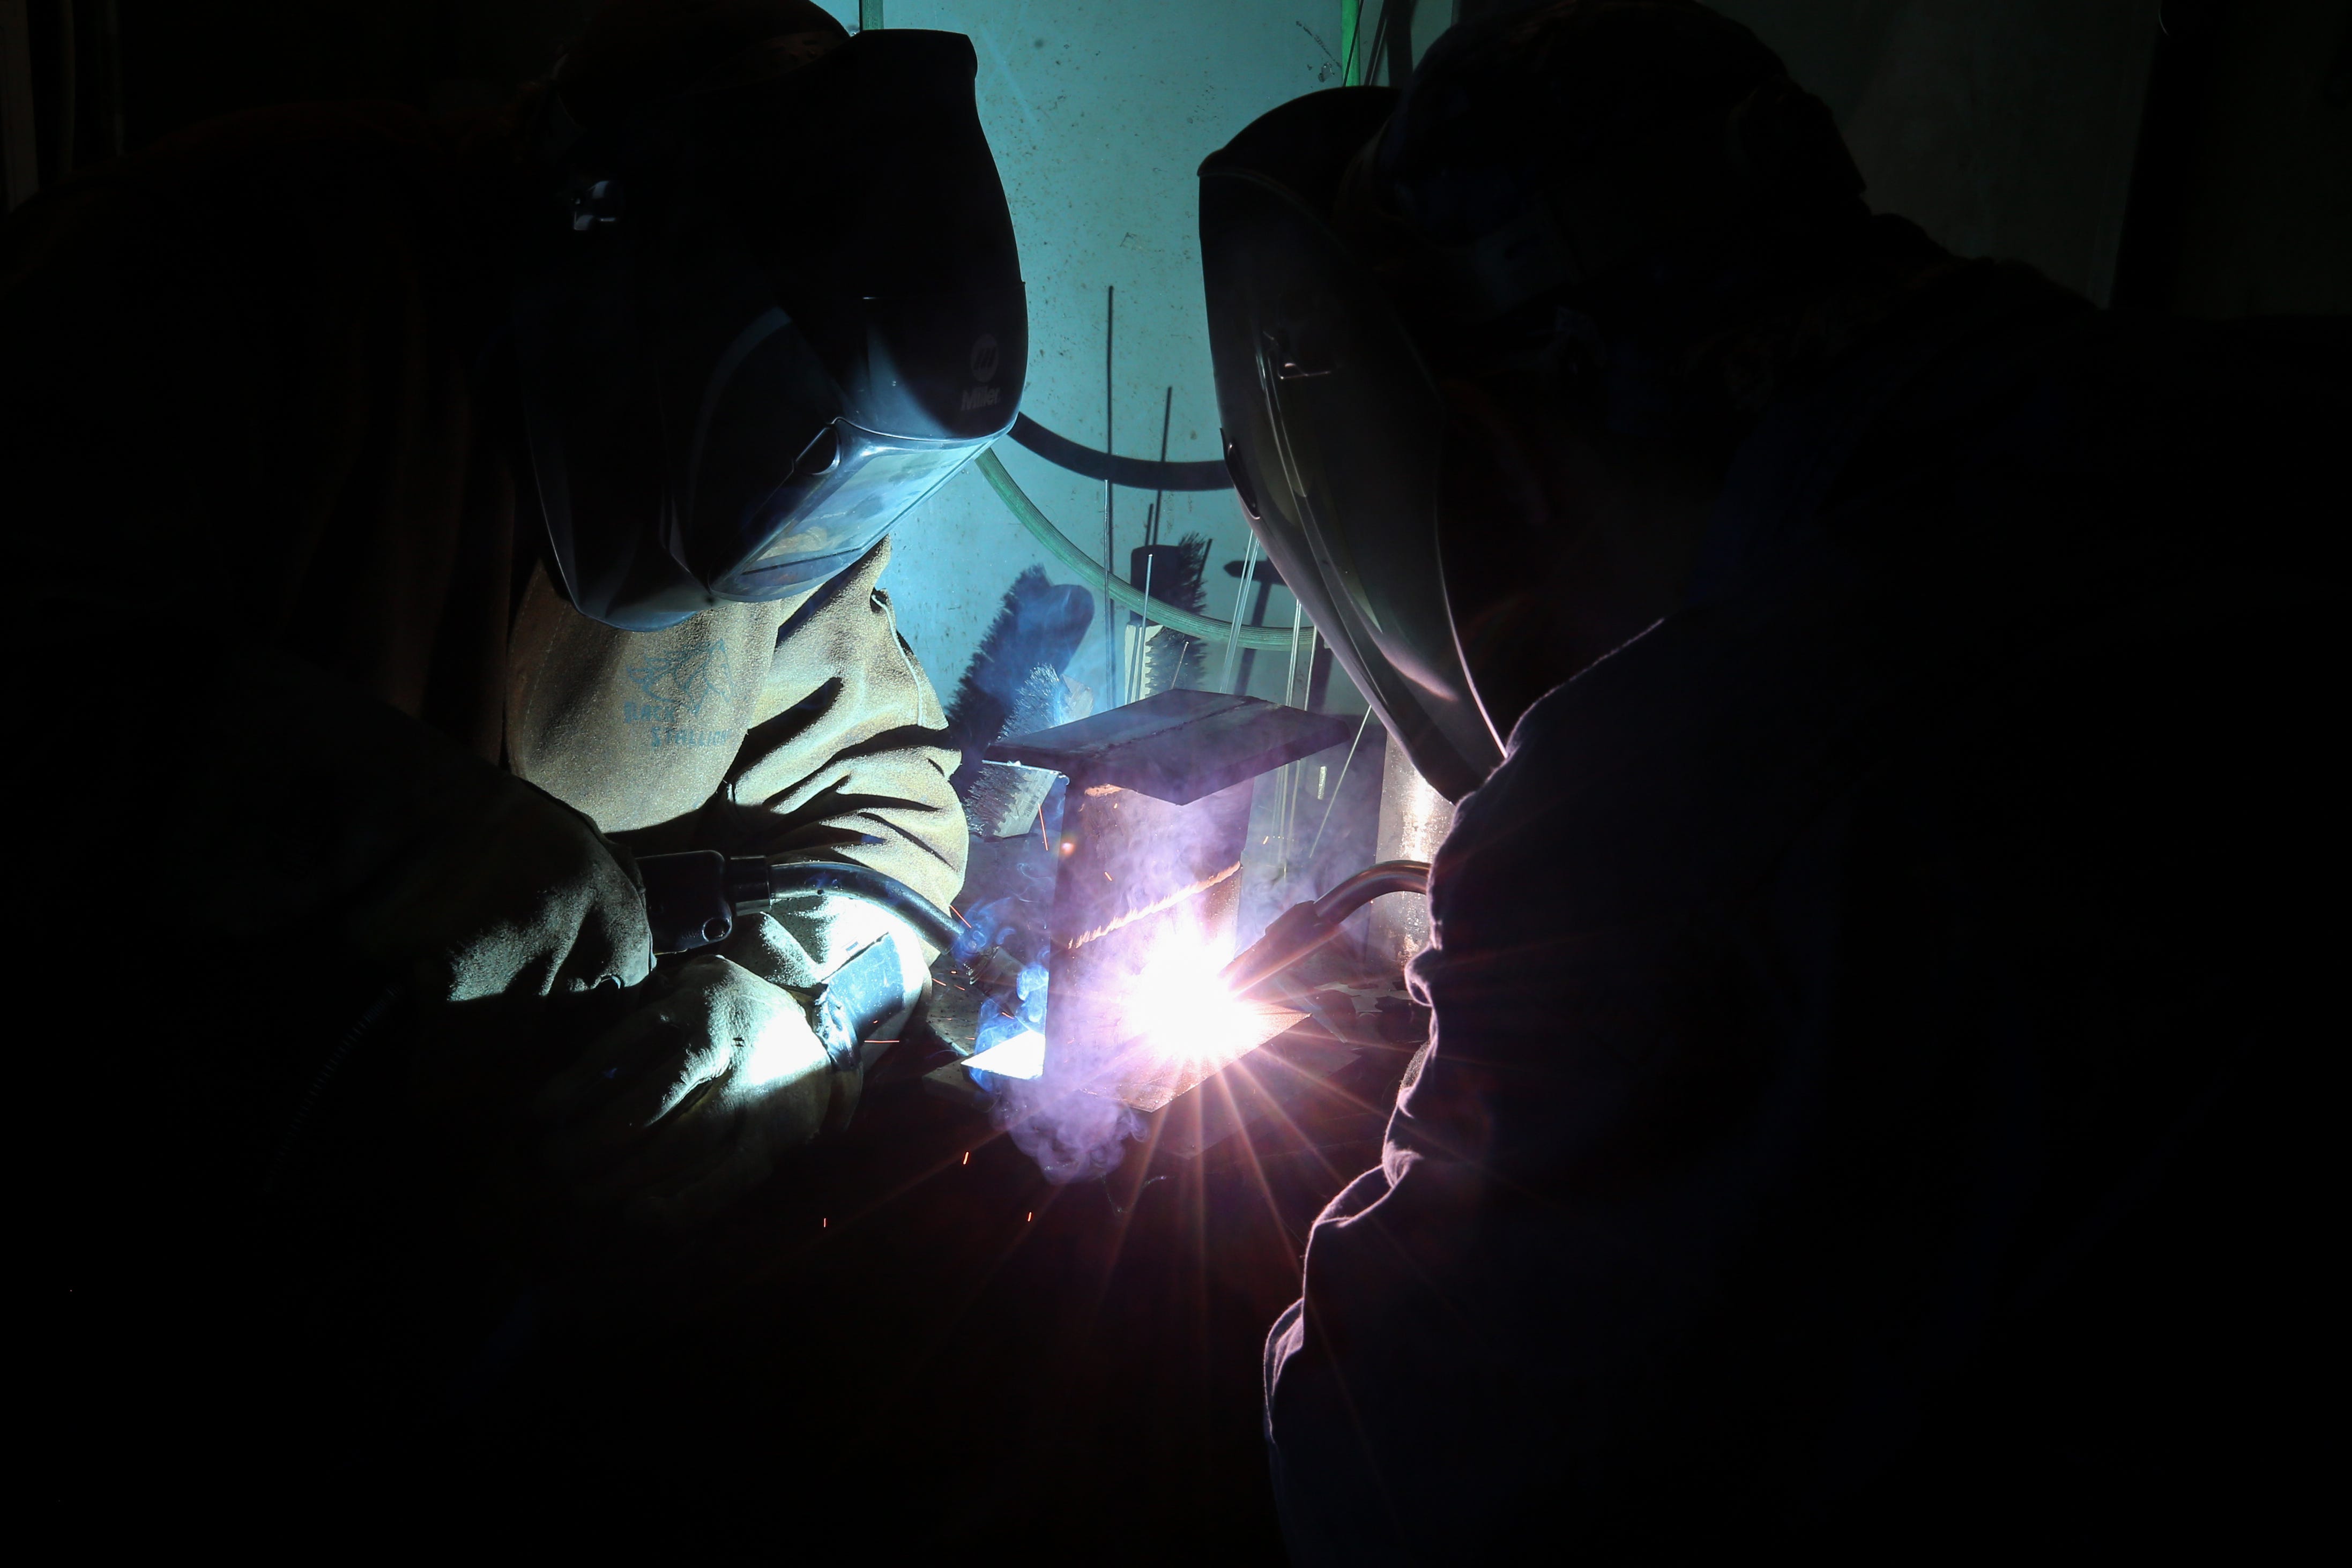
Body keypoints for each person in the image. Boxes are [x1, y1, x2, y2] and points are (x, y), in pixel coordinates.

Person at [1201, 1, 2344, 1556]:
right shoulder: (2250, 404)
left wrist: (1380, 1190)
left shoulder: (1686, 792)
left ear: (1496, 460)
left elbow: (1379, 1486)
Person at [7, 0, 1021, 1463]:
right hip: (120, 1235)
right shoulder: (225, 267)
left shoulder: (776, 515)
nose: (780, 554)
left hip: (442, 1285)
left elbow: (890, 814)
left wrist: (800, 1002)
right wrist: (385, 829)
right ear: (614, 265)